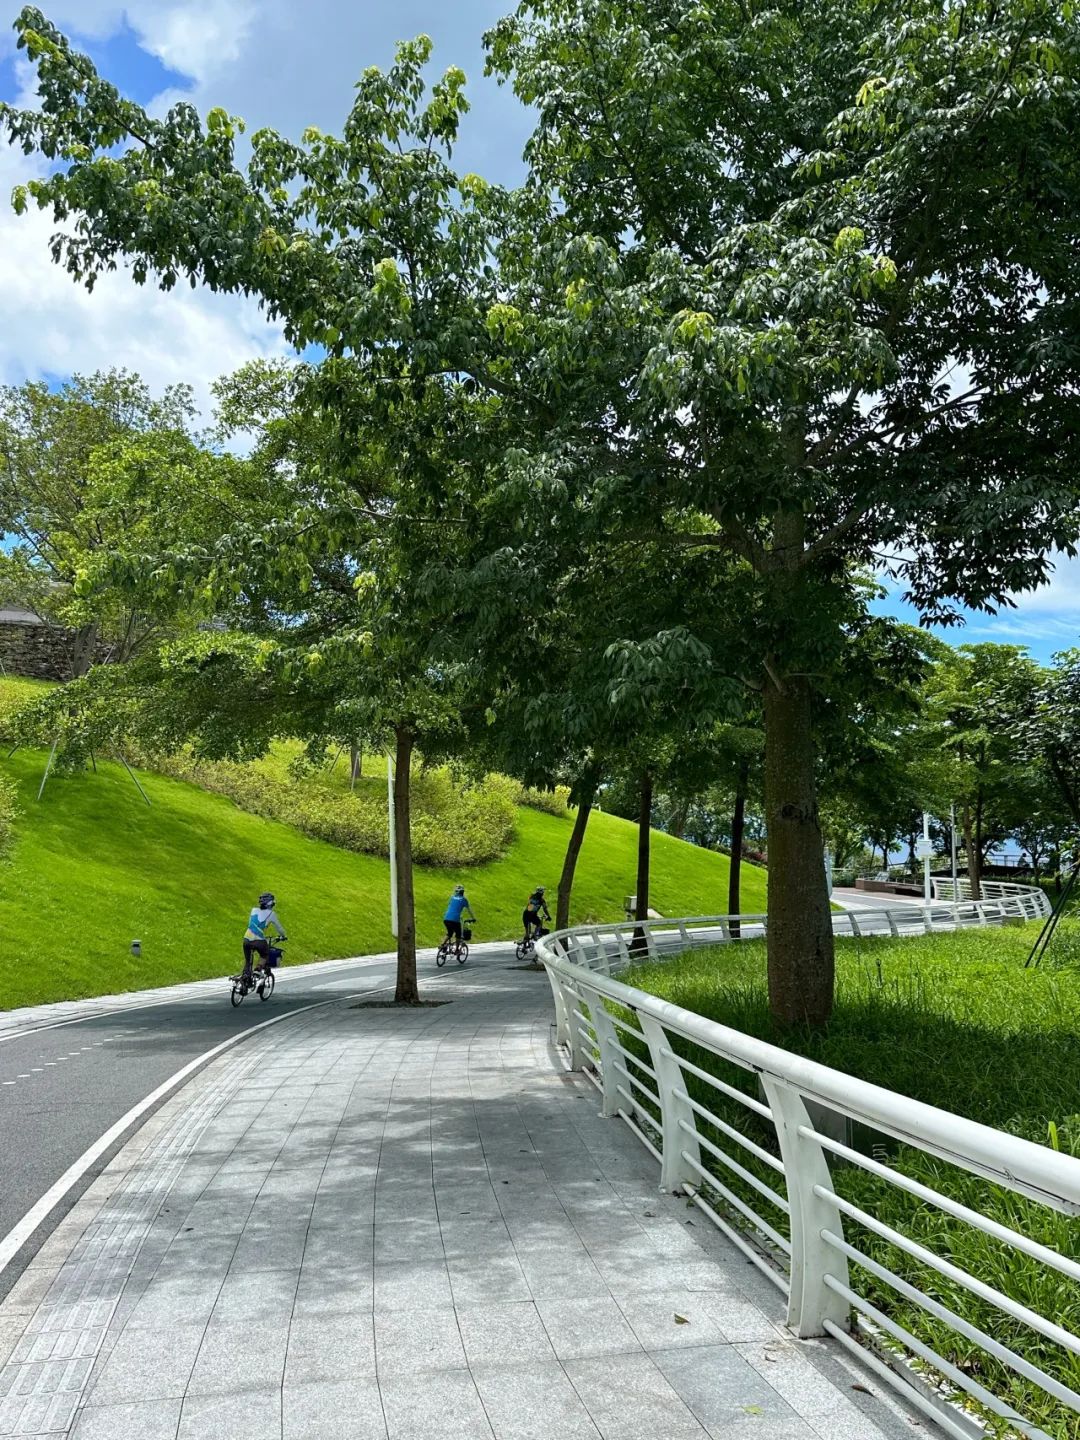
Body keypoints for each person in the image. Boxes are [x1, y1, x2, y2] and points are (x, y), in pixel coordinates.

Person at [241, 892, 288, 982]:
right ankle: (258, 970)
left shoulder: (253, 910)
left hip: (246, 939)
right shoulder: (271, 914)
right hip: (259, 941)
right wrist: (283, 936)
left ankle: (245, 979)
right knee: (265, 954)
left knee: (248, 961)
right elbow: (279, 928)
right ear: (271, 903)